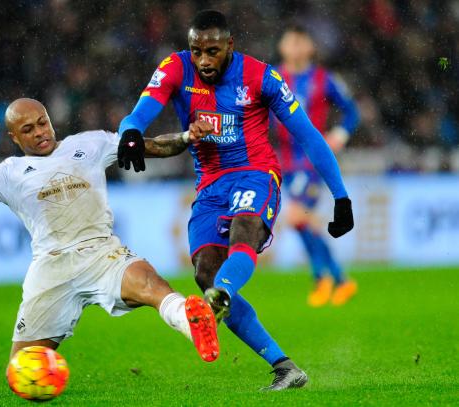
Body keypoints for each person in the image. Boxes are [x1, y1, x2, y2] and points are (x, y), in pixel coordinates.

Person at [117, 10, 354, 390]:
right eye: (197, 51)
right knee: (204, 272)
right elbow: (140, 111)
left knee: (243, 233)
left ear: (230, 46)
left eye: (212, 51)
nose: (204, 60)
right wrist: (130, 132)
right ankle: (284, 367)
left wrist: (341, 196)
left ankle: (223, 293)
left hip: (257, 174)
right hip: (210, 185)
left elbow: (309, 135)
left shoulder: (261, 76)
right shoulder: (176, 67)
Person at [0, 98, 220, 363]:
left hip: (101, 253)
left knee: (151, 282)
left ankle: (189, 320)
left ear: (50, 121)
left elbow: (153, 146)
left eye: (42, 123)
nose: (39, 132)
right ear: (14, 138)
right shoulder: (9, 172)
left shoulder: (90, 143)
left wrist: (186, 136)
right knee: (23, 367)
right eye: (28, 130)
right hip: (51, 268)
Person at [275, 26, 360, 307]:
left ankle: (322, 277)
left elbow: (352, 111)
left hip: (311, 160)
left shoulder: (324, 79)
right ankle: (338, 279)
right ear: (282, 46)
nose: (295, 47)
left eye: (301, 41)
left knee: (297, 217)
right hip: (284, 161)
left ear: (310, 47)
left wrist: (340, 134)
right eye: (291, 41)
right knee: (301, 223)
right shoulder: (273, 77)